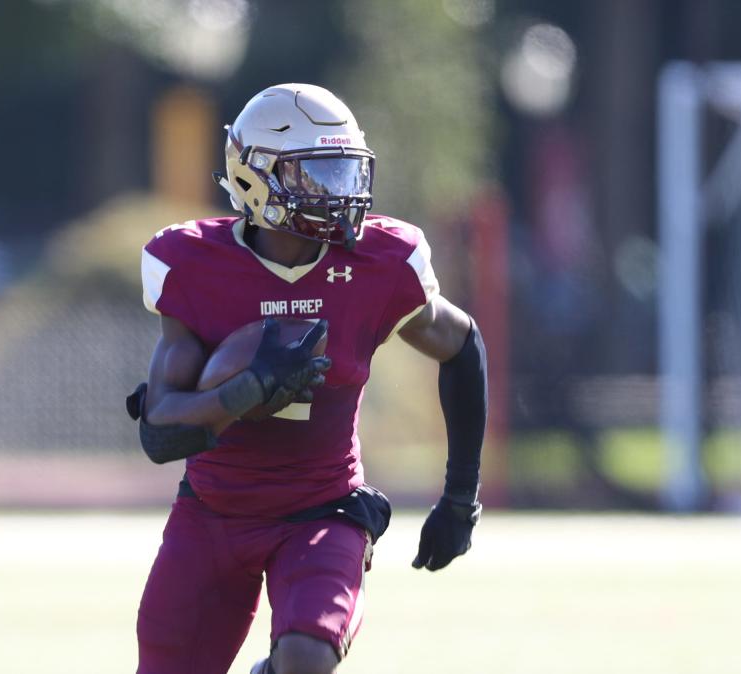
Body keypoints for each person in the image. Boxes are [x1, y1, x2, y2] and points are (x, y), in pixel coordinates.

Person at [126, 83, 488, 674]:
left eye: (347, 174)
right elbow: (161, 433)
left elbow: (462, 345)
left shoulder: (378, 264)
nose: (340, 195)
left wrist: (459, 496)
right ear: (253, 178)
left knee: (306, 656)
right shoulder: (194, 266)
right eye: (316, 175)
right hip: (214, 511)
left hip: (322, 509)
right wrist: (245, 391)